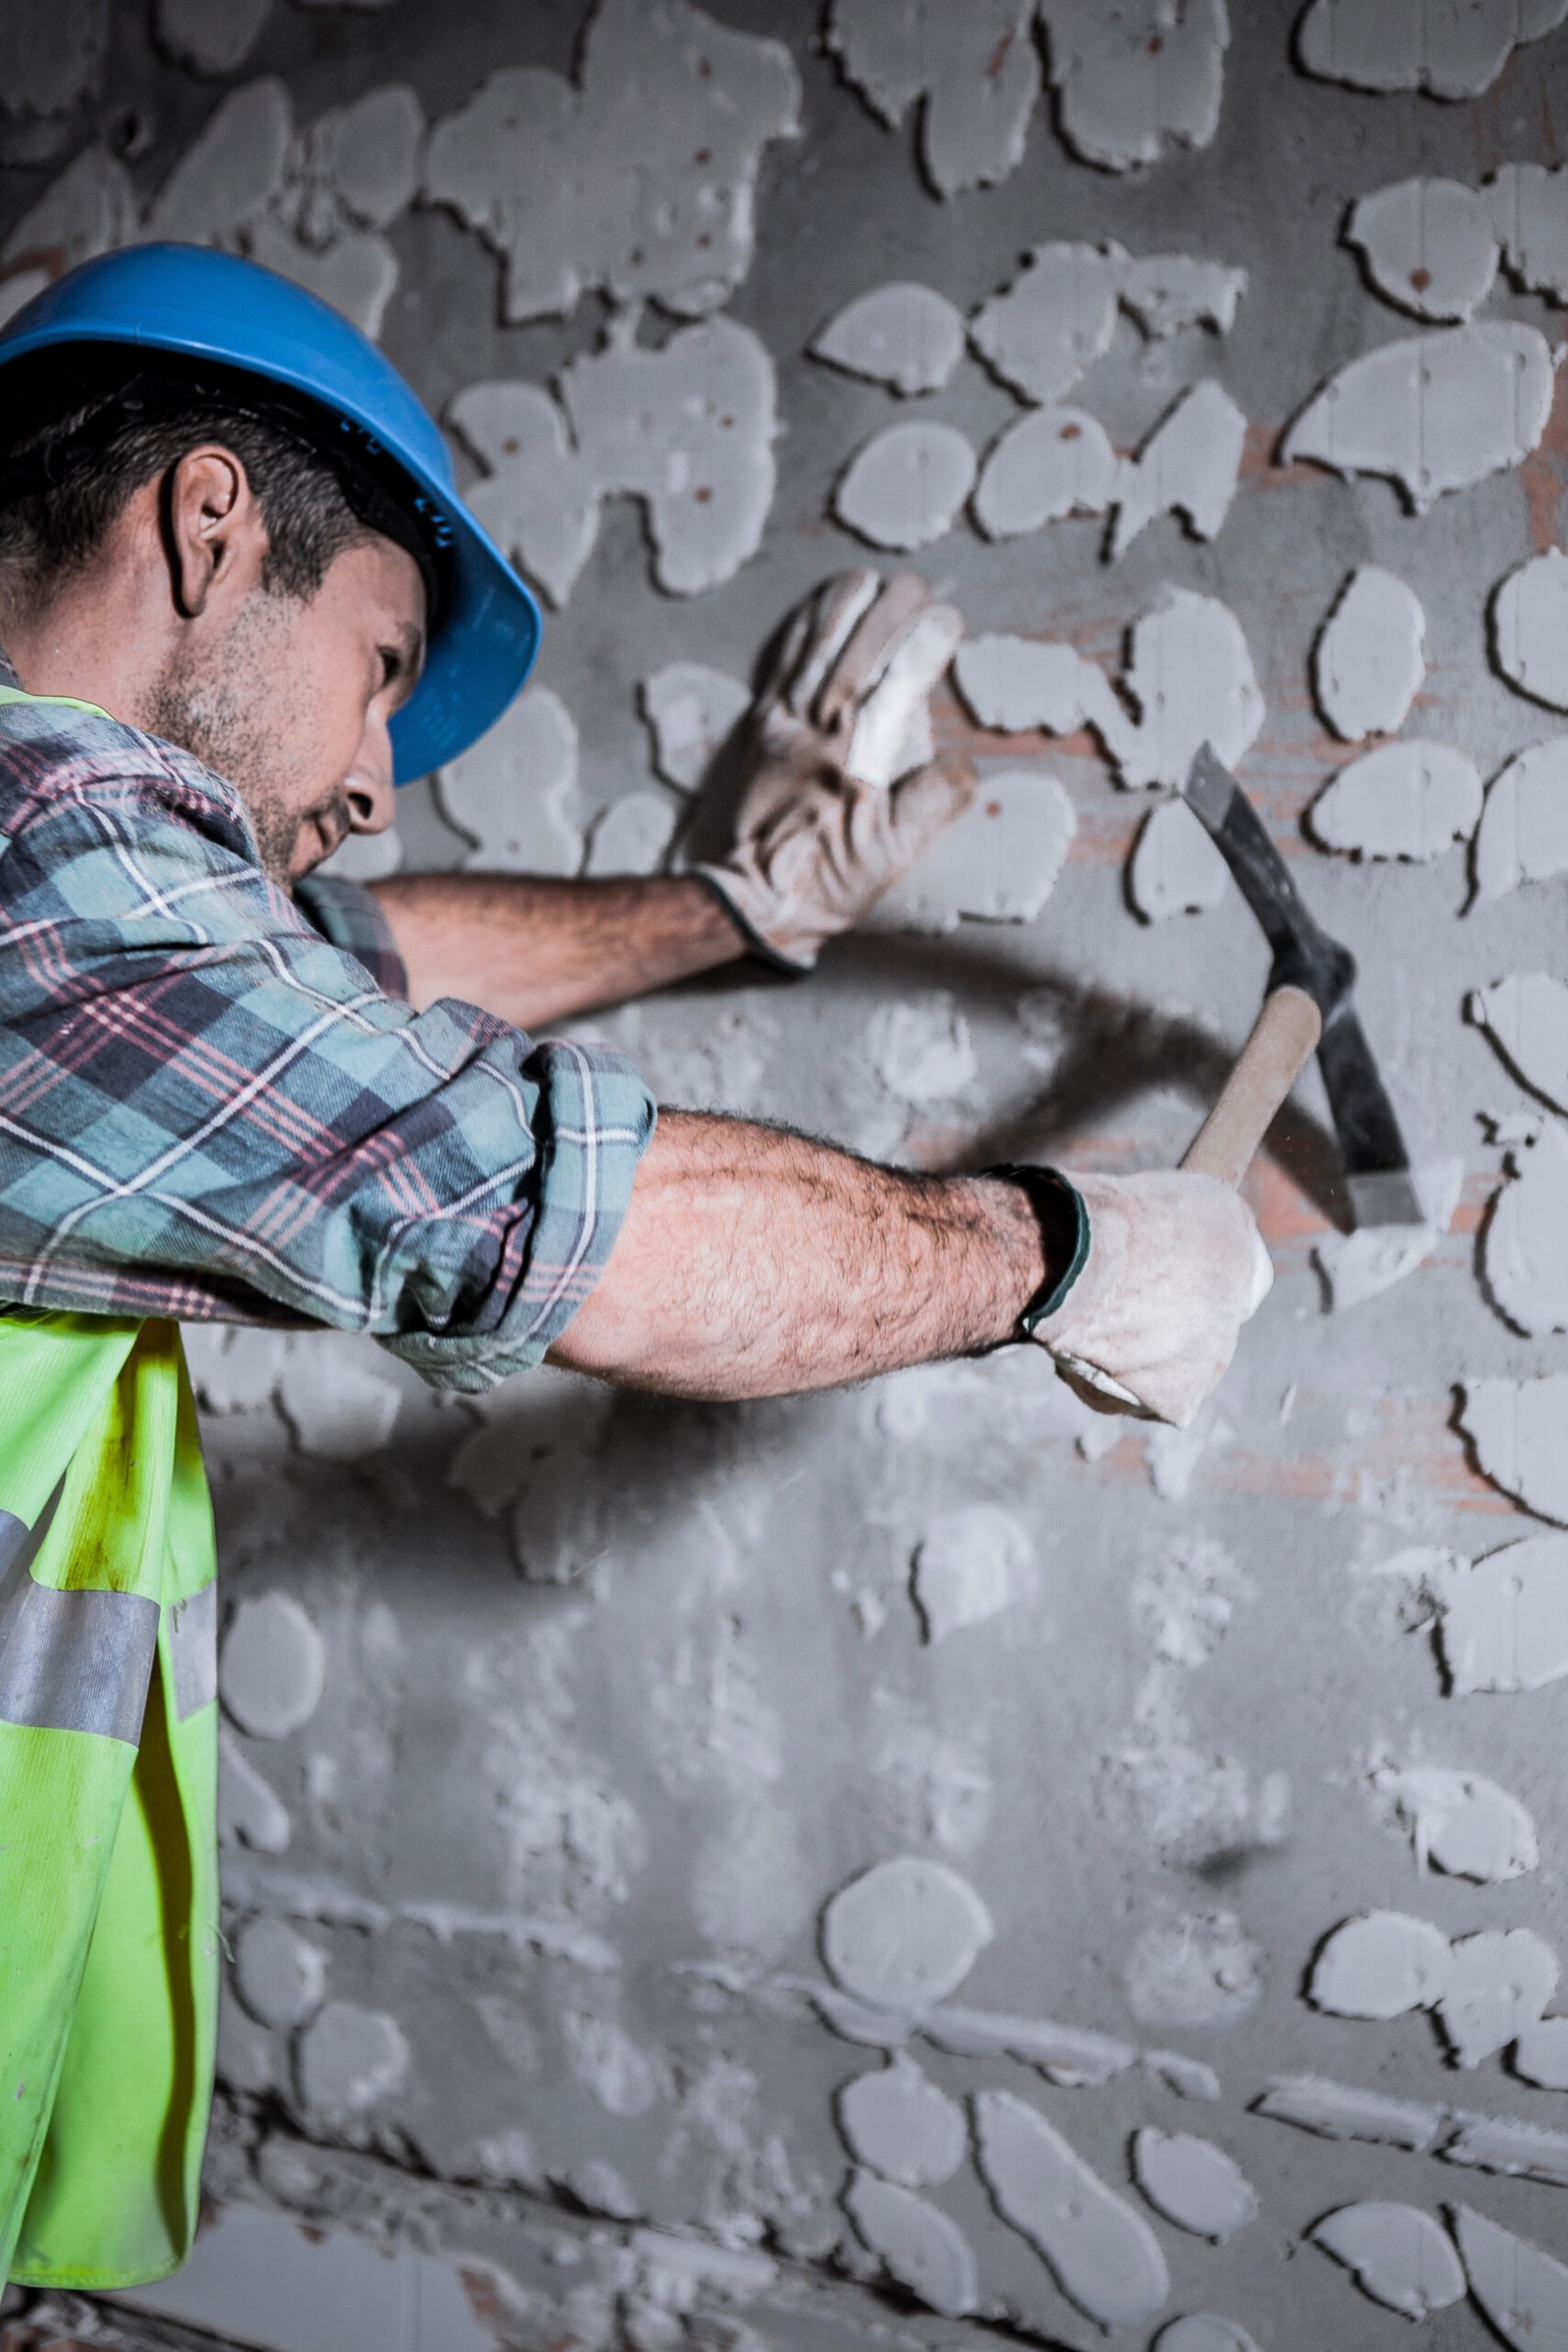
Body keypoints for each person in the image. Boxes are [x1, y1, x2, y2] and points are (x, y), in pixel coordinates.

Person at [0, 244, 1267, 2294]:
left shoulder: (84, 914)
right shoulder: (45, 889)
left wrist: (729, 903)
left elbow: (371, 961)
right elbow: (565, 1234)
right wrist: (1067, 1246)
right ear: (210, 521)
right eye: (386, 661)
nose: (364, 777)